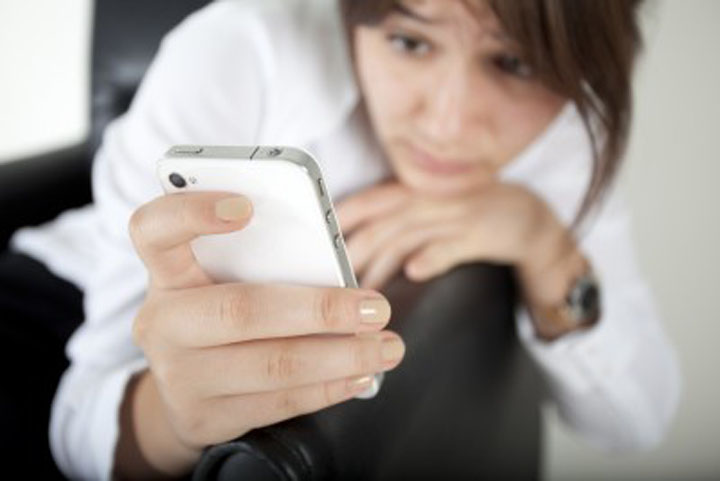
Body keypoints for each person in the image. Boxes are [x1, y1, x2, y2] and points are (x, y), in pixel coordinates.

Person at [5, 0, 681, 479]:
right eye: (410, 41)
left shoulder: (568, 141)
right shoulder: (238, 53)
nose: (447, 120)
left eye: (515, 63)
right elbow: (79, 423)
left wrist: (543, 241)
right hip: (48, 305)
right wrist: (170, 417)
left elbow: (636, 419)